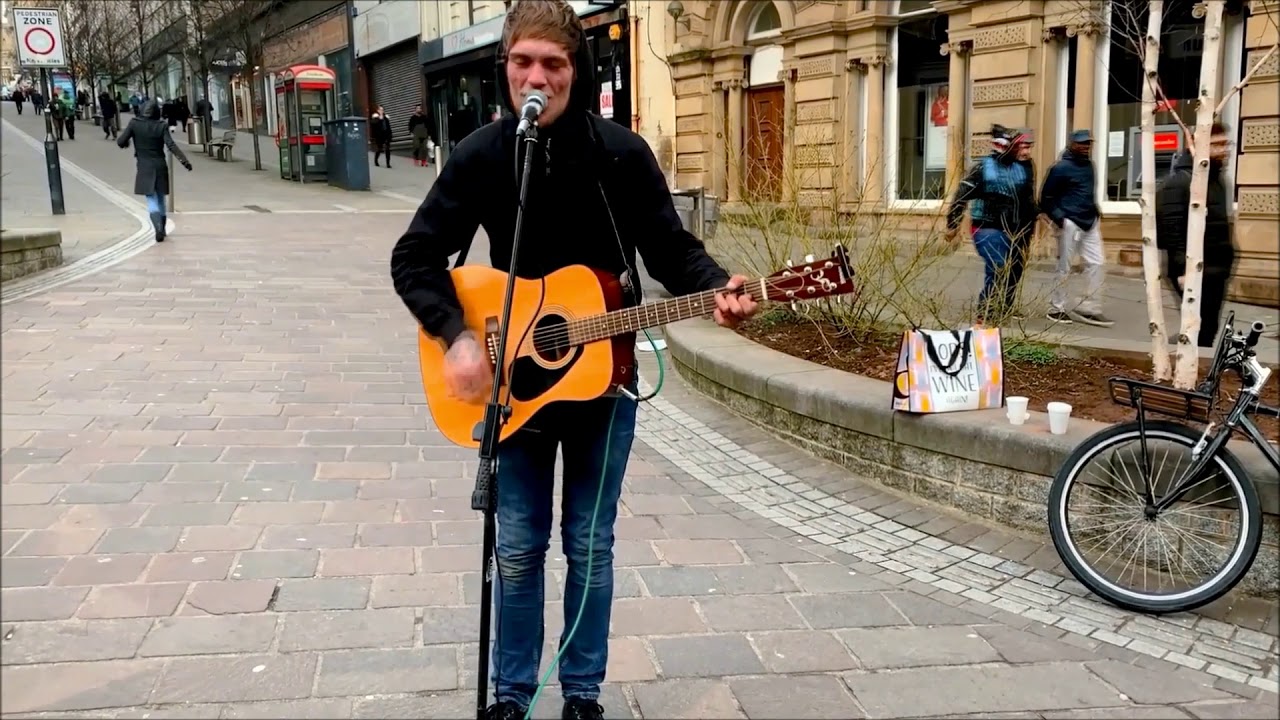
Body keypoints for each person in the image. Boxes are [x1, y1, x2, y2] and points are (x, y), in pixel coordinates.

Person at [389, 3, 757, 718]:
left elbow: (669, 249)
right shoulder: (485, 154)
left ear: (576, 70)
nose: (538, 77)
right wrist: (457, 337)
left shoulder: (619, 153)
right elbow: (415, 255)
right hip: (514, 386)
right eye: (524, 62)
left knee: (589, 544)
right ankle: (511, 694)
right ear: (506, 68)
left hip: (603, 379)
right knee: (519, 550)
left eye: (553, 64)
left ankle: (582, 693)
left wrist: (717, 286)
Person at [945, 124, 1039, 323]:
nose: (1026, 151)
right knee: (998, 266)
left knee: (1014, 269)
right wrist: (953, 223)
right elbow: (962, 194)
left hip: (1016, 228)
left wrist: (1034, 221)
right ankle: (985, 311)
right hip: (987, 226)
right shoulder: (983, 168)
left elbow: (1028, 199)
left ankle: (1002, 308)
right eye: (1021, 147)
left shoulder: (1024, 168)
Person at [1157, 120, 1237, 348]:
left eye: (1226, 144)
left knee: (1208, 327)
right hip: (1193, 268)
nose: (1225, 150)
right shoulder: (1179, 182)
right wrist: (1183, 268)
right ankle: (1186, 371)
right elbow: (1171, 230)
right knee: (1198, 326)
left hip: (1217, 267)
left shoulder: (1217, 180)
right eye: (1217, 144)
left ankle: (1191, 367)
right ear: (1198, 144)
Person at [1039, 129, 1113, 327]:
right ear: (1072, 144)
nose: (1085, 146)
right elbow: (1045, 199)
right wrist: (1060, 219)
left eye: (1088, 143)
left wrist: (1095, 210)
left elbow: (1086, 192)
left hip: (1090, 221)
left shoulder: (1090, 166)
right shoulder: (1060, 168)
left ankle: (1090, 308)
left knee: (1097, 263)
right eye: (1081, 143)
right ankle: (1057, 308)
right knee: (1065, 266)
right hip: (1069, 222)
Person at [118, 99, 192, 242]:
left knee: (151, 198)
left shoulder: (134, 124)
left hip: (144, 165)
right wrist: (184, 161)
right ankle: (162, 229)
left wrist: (128, 142)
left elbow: (121, 141)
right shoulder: (161, 125)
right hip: (160, 164)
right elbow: (171, 144)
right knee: (161, 197)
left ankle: (157, 228)